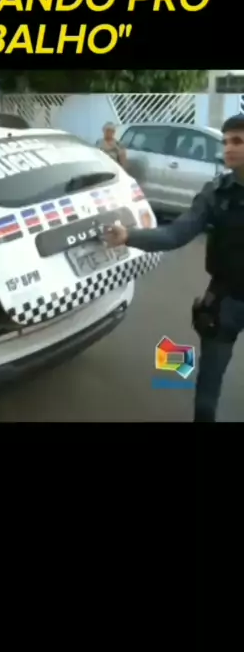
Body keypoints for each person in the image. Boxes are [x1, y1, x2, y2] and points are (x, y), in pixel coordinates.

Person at [102, 113, 244, 423]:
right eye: (226, 142)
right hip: (225, 301)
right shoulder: (216, 193)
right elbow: (175, 234)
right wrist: (128, 236)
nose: (229, 148)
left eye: (238, 141)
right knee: (208, 391)